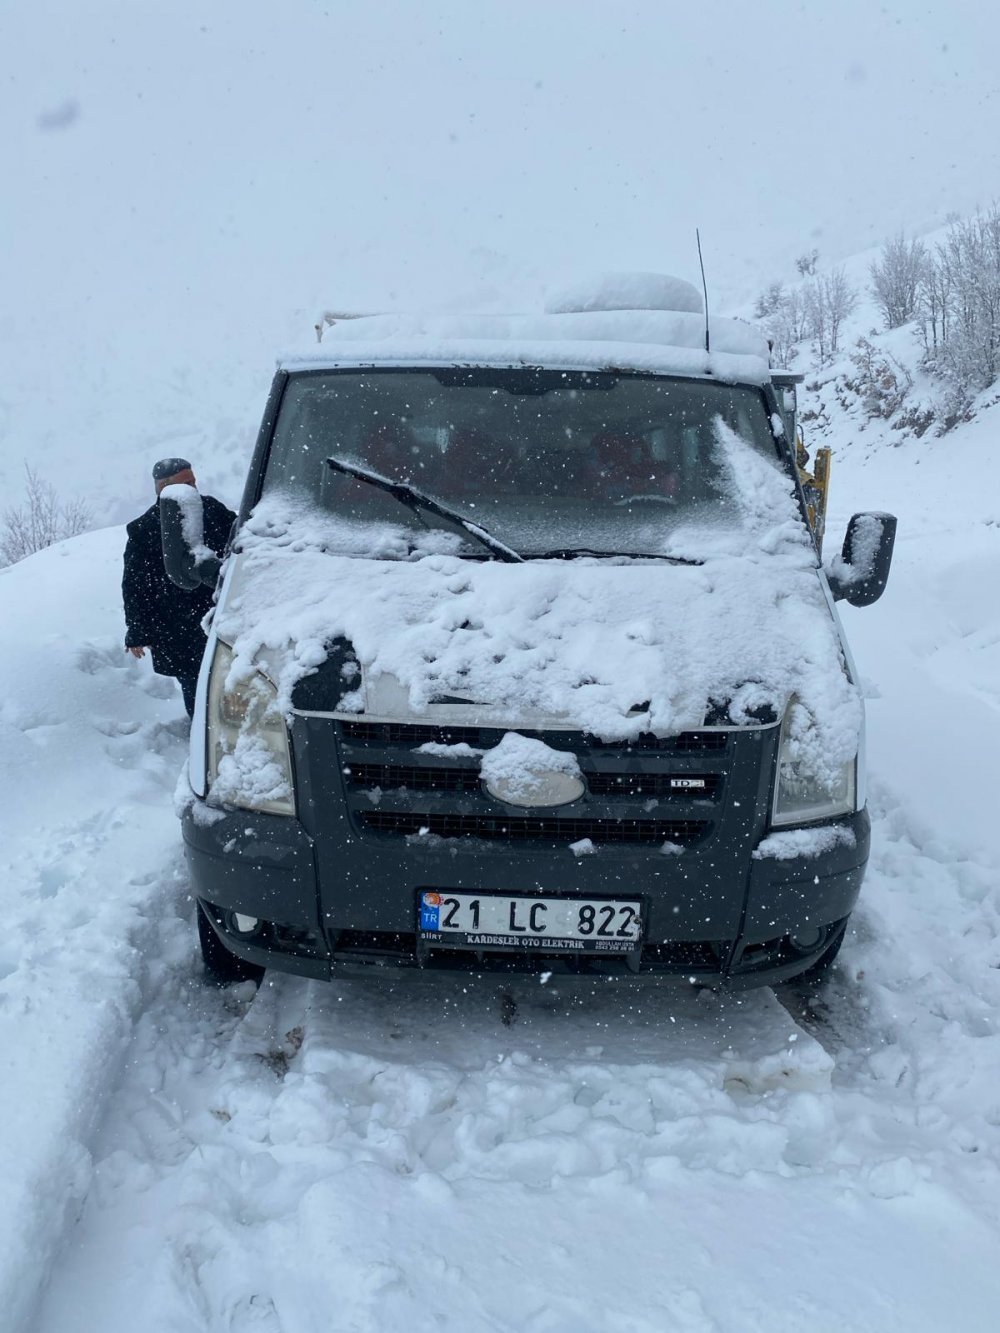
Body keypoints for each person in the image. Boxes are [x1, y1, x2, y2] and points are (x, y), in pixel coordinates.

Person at [123, 458, 235, 717]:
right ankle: (200, 744)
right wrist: (138, 629)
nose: (194, 487)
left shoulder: (212, 509)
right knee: (197, 694)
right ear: (165, 488)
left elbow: (240, 537)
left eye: (194, 481)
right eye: (187, 483)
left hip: (219, 615)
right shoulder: (144, 529)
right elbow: (135, 583)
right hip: (176, 627)